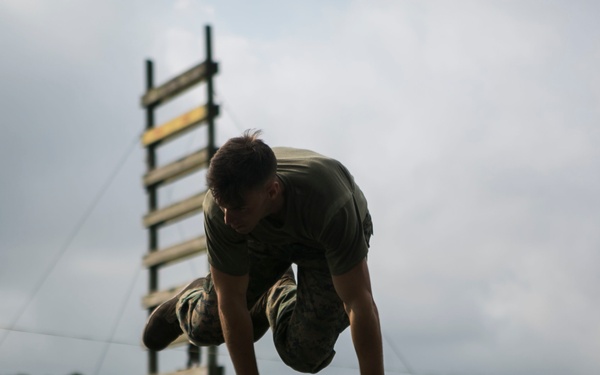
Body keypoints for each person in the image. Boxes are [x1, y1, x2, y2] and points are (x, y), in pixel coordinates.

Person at [143, 130, 384, 374]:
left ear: (272, 191)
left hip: (322, 245)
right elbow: (231, 302)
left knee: (305, 355)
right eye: (223, 206)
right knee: (206, 328)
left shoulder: (332, 204)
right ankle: (181, 306)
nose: (228, 218)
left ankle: (274, 292)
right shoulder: (222, 212)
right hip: (259, 234)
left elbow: (358, 304)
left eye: (238, 208)